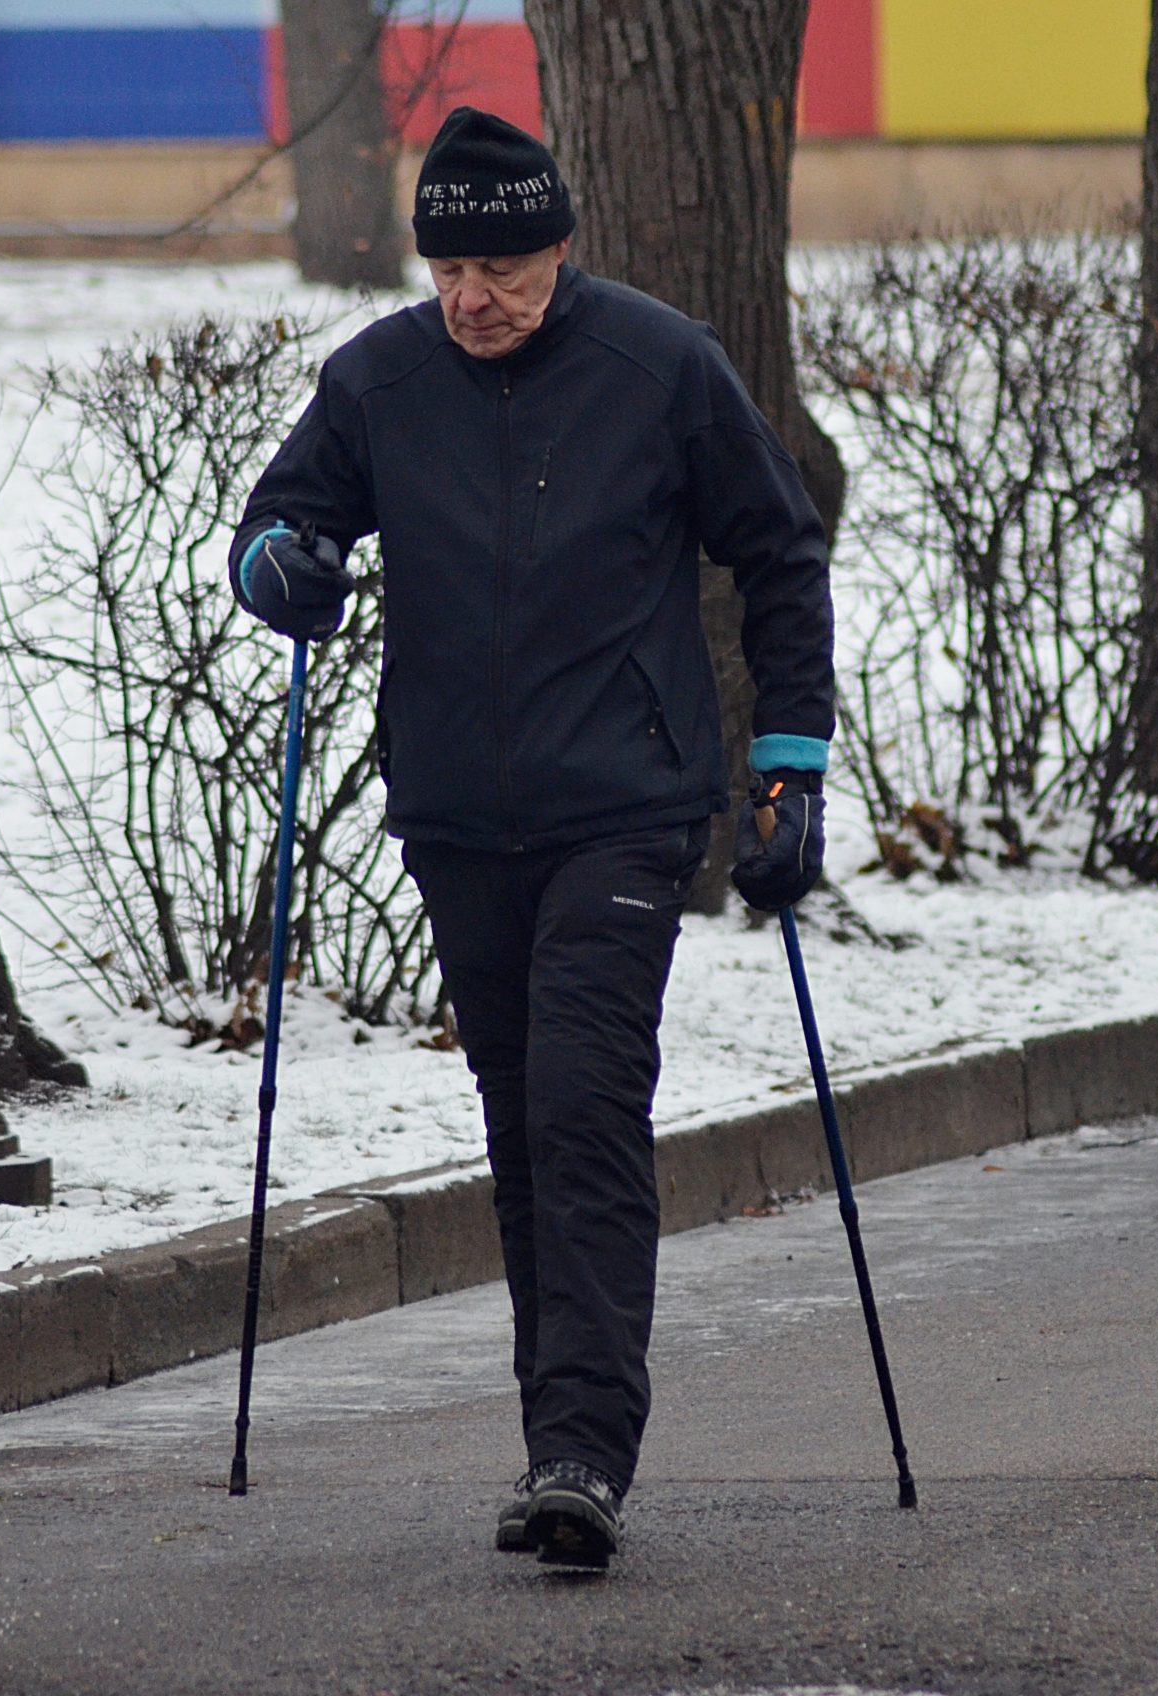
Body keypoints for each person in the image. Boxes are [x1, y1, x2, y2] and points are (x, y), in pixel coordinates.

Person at [229, 106, 832, 1571]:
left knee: (581, 1106)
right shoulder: (377, 380)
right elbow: (276, 526)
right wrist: (283, 568)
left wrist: (788, 768)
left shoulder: (661, 366)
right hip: (457, 816)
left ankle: (581, 1451)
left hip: (626, 806)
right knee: (521, 1125)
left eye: (501, 267)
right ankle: (555, 1442)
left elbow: (778, 549)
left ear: (560, 244)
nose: (472, 300)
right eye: (448, 272)